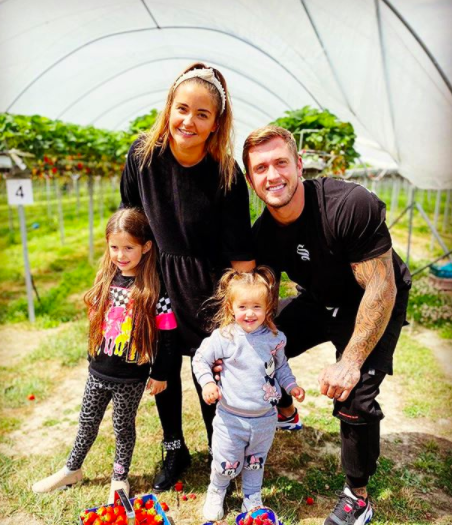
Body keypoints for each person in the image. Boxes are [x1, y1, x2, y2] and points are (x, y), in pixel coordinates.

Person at [242, 126, 411, 525]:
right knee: (258, 343)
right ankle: (286, 411)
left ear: (299, 165)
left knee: (354, 395)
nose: (273, 175)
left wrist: (350, 360)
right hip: (320, 299)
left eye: (281, 162)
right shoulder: (263, 232)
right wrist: (244, 340)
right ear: (251, 180)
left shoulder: (348, 204)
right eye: (261, 168)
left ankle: (358, 496)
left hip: (374, 299)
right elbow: (263, 300)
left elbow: (381, 286)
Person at [120, 62, 255, 491]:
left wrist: (239, 312)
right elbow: (129, 219)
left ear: (216, 123)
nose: (188, 121)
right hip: (157, 281)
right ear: (168, 108)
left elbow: (241, 257)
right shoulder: (142, 158)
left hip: (206, 287)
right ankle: (174, 447)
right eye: (182, 109)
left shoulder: (227, 175)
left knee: (210, 372)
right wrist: (123, 283)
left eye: (202, 114)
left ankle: (223, 453)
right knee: (161, 368)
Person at [32, 208, 176, 503]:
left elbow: (169, 338)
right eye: (114, 247)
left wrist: (161, 373)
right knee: (87, 421)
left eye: (128, 248)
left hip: (130, 378)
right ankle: (72, 469)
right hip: (98, 372)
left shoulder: (154, 291)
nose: (120, 255)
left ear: (146, 247)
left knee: (123, 428)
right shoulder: (105, 282)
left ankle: (119, 477)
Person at [192, 267, 305, 521]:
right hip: (231, 419)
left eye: (256, 307)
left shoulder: (275, 338)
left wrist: (291, 386)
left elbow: (282, 367)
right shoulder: (224, 337)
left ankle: (252, 497)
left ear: (268, 308)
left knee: (256, 461)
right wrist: (208, 383)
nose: (250, 313)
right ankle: (217, 490)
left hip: (265, 418)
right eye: (243, 307)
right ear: (231, 307)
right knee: (226, 461)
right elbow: (200, 360)